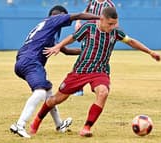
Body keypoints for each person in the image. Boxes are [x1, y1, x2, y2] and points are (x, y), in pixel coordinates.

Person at [30, 7, 161, 137]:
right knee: (56, 100)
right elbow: (73, 37)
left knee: (103, 92)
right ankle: (36, 121)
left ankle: (86, 128)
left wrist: (150, 52)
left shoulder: (116, 32)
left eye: (115, 24)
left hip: (100, 71)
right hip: (81, 70)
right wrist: (58, 46)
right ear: (101, 19)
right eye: (110, 24)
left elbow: (131, 42)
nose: (112, 27)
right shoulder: (89, 27)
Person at [9, 5, 100, 138]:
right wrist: (100, 17)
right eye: (65, 17)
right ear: (60, 15)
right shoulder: (54, 19)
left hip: (24, 61)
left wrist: (90, 52)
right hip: (31, 61)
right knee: (40, 92)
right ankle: (20, 124)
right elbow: (79, 15)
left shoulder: (47, 29)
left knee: (48, 92)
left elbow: (66, 51)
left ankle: (59, 124)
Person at [74, 0, 116, 96]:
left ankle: (104, 83)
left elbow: (114, 20)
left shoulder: (109, 5)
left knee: (103, 59)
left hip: (102, 35)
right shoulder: (93, 2)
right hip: (90, 33)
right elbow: (86, 11)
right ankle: (78, 88)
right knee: (83, 57)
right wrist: (78, 21)